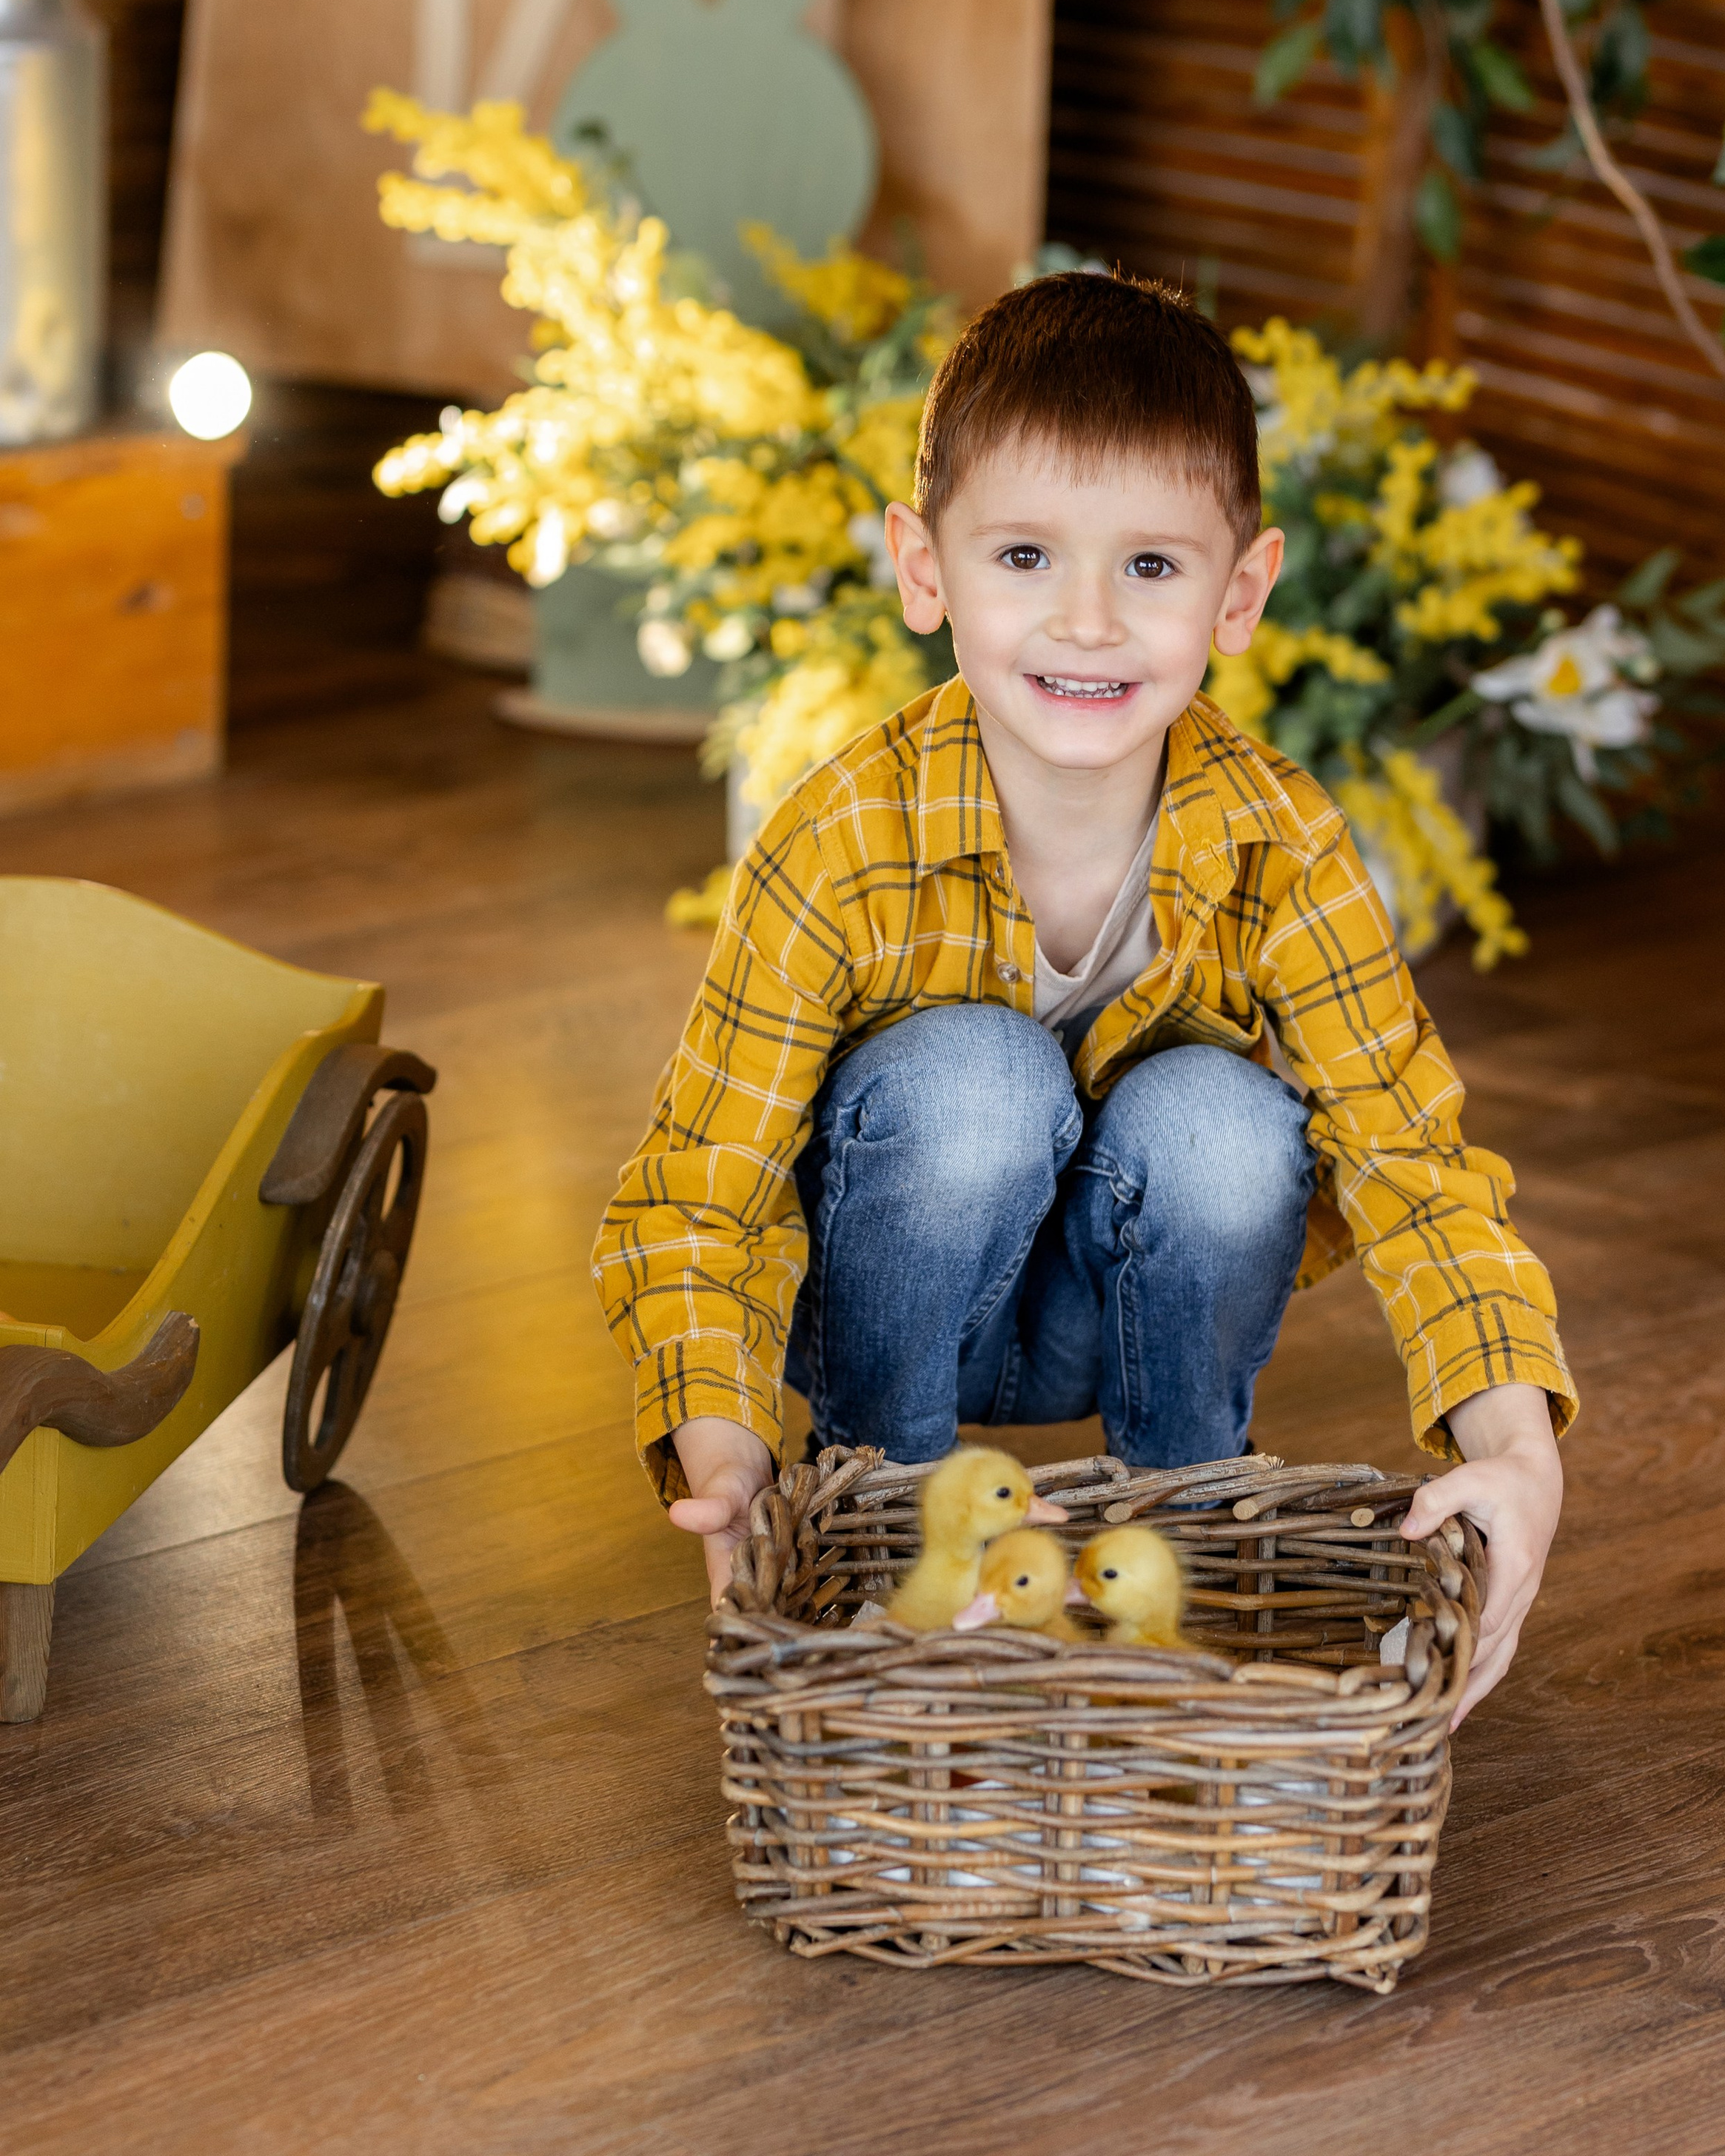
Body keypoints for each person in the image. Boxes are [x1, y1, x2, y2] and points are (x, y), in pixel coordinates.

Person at [594, 271, 1574, 1719]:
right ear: (923, 568)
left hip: (1106, 1300)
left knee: (1223, 1119)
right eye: (1024, 555)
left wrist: (1519, 1448)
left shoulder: (1282, 843)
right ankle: (883, 1534)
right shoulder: (839, 835)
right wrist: (726, 1446)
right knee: (980, 1079)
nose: (1088, 620)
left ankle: (1176, 1541)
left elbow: (1412, 1159)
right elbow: (701, 1190)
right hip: (886, 1288)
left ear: (1239, 593)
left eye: (1152, 566)